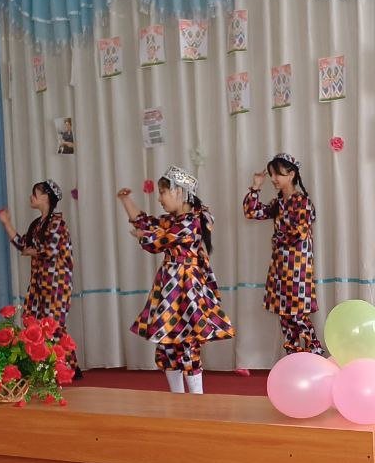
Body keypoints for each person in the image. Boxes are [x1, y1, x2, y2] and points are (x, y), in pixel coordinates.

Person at [117, 166, 234, 394]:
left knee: (187, 342)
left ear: (179, 192)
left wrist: (144, 235)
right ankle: (177, 399)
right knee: (167, 342)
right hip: (170, 287)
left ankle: (196, 400)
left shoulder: (193, 221)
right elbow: (146, 224)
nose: (159, 198)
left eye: (163, 192)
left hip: (187, 287)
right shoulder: (173, 220)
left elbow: (157, 240)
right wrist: (126, 200)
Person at [242, 153, 323, 355]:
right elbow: (251, 212)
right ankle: (293, 358)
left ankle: (315, 354)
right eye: (271, 174)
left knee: (298, 315)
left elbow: (299, 233)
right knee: (285, 317)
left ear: (292, 174)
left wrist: (277, 239)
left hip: (298, 268)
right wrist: (255, 187)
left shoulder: (302, 201)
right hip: (280, 268)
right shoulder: (278, 203)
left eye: (278, 174)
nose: (273, 178)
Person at [0, 179, 79, 376]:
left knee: (53, 325)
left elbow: (49, 250)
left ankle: (65, 368)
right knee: (35, 321)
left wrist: (31, 251)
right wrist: (6, 223)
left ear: (45, 197)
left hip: (57, 283)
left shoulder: (57, 223)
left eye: (35, 193)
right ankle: (56, 367)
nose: (31, 197)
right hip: (39, 283)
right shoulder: (37, 224)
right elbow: (23, 244)